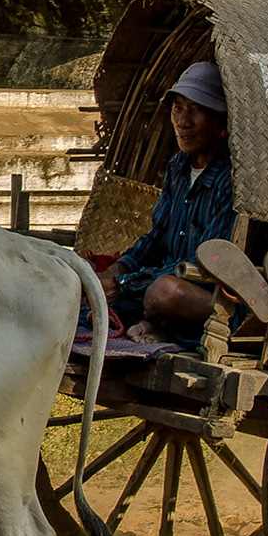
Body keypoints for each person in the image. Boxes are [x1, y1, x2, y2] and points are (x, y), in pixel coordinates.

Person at [99, 60, 235, 344]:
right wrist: (118, 269)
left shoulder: (230, 180)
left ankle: (161, 328)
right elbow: (157, 236)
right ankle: (152, 326)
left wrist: (124, 286)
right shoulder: (178, 167)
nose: (182, 121)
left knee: (163, 293)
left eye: (195, 110)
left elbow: (208, 264)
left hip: (213, 296)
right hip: (161, 282)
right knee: (92, 299)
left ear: (221, 125)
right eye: (178, 108)